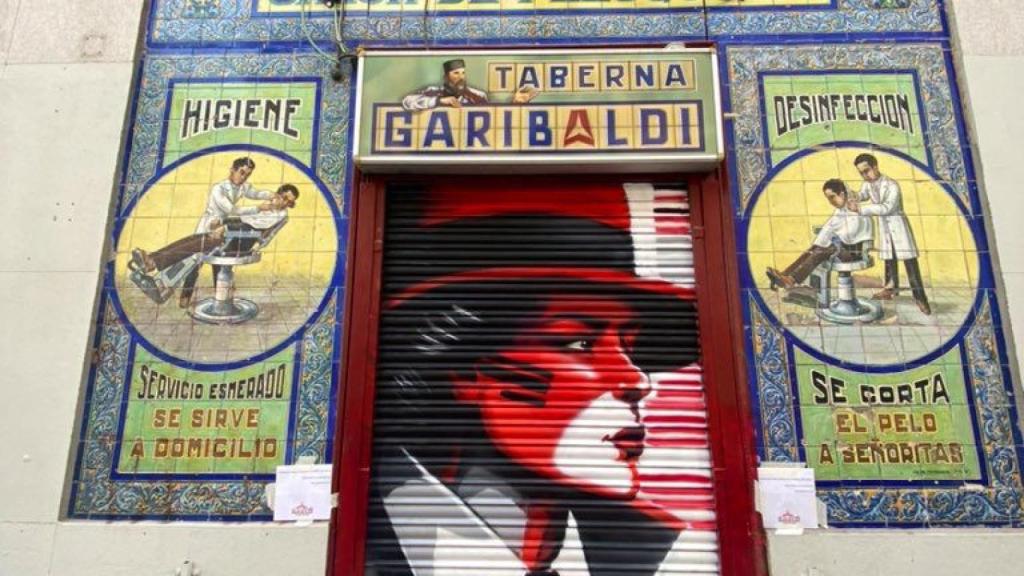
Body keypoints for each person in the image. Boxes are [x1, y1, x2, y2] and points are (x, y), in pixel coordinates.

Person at [367, 185, 701, 576]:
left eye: (629, 345)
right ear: (463, 369)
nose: (637, 380)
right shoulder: (363, 534)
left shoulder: (659, 552)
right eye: (579, 341)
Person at [129, 184, 298, 290]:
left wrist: (226, 227)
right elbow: (242, 218)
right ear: (277, 194)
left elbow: (252, 227)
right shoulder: (266, 207)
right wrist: (222, 221)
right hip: (233, 236)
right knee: (196, 240)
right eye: (284, 198)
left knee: (202, 241)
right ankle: (154, 264)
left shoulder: (278, 215)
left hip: (243, 241)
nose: (285, 203)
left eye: (289, 202)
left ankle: (153, 262)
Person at [179, 156, 276, 309]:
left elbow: (256, 194)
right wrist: (258, 208)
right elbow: (231, 209)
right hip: (208, 226)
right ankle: (185, 296)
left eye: (247, 174)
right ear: (232, 170)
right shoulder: (219, 188)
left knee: (219, 260)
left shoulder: (244, 186)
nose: (244, 177)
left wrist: (272, 195)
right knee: (196, 263)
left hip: (222, 227)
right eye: (242, 173)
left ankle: (220, 297)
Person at [849, 153, 931, 315]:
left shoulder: (891, 185)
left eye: (866, 171)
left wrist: (860, 208)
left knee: (909, 263)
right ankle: (889, 289)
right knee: (889, 259)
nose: (864, 175)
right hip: (885, 227)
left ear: (875, 167)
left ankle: (921, 298)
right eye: (861, 173)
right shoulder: (868, 183)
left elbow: (886, 208)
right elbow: (863, 195)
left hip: (897, 225)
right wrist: (853, 195)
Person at [765, 179, 874, 291]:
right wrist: (822, 241)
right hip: (840, 248)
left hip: (854, 252)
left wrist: (831, 237)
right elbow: (829, 228)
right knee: (813, 249)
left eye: (832, 197)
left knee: (820, 251)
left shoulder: (856, 210)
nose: (830, 202)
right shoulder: (841, 211)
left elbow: (850, 234)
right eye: (828, 199)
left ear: (841, 194)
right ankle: (785, 274)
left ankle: (792, 280)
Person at [401, 58, 538, 111]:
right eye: (456, 73)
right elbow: (407, 102)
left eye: (463, 73)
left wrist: (514, 103)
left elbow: (494, 114)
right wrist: (440, 101)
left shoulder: (477, 95)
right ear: (446, 77)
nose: (461, 77)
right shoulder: (433, 91)